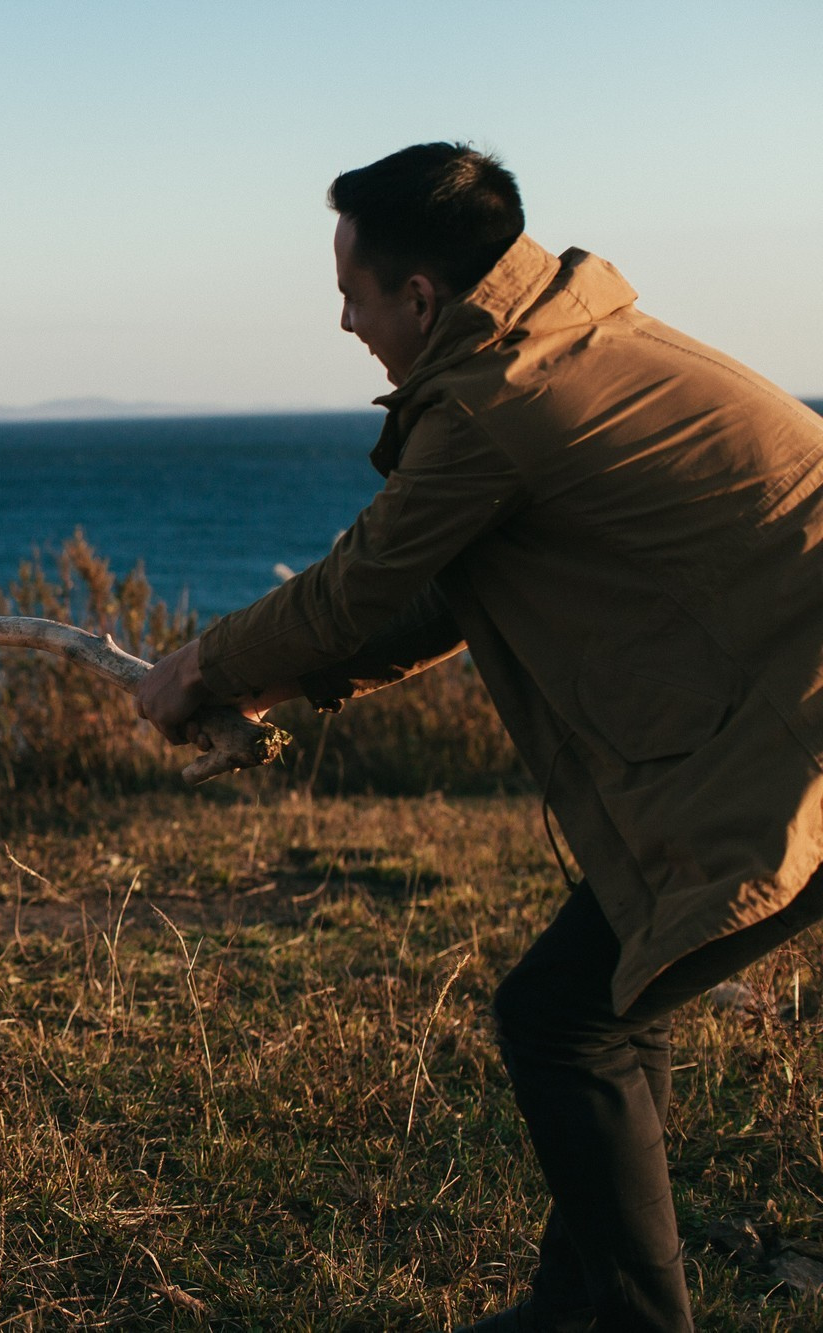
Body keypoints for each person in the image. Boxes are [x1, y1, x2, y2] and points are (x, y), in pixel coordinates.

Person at [134, 143, 823, 1332]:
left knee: (562, 1020)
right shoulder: (564, 342)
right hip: (769, 712)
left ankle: (622, 1320)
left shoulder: (503, 402)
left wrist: (199, 666)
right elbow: (443, 597)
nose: (341, 320)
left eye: (352, 294)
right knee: (615, 990)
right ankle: (579, 1304)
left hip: (784, 733)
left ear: (419, 296)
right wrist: (276, 694)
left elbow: (356, 587)